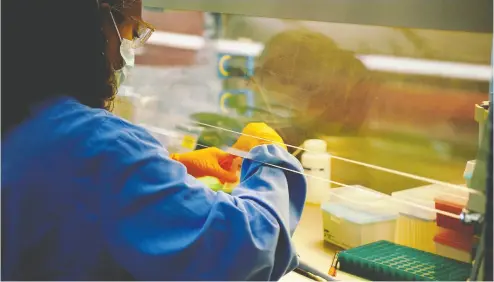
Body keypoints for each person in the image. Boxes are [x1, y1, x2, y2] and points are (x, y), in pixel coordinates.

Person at [1, 0, 307, 280]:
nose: (123, 58)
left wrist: (165, 168)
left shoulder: (21, 112)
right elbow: (250, 250)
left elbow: (72, 189)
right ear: (92, 27)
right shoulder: (100, 145)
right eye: (132, 32)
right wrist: (270, 158)